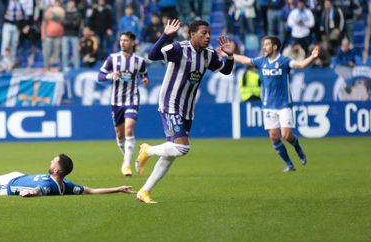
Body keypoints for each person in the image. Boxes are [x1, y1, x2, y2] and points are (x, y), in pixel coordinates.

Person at [134, 19, 234, 203]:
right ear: (192, 34)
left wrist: (230, 56)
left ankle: (144, 191)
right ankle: (147, 150)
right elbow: (152, 55)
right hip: (170, 104)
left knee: (172, 153)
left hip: (187, 109)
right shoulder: (179, 48)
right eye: (203, 33)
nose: (208, 36)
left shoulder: (209, 55)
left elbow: (226, 71)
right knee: (182, 147)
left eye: (209, 33)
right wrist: (165, 35)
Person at [232, 36, 319, 172]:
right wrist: (230, 54)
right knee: (273, 136)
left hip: (284, 104)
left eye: (267, 44)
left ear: (275, 47)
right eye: (263, 44)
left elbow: (301, 65)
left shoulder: (284, 62)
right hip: (268, 105)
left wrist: (312, 57)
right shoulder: (261, 61)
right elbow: (245, 60)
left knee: (286, 135)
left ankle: (297, 147)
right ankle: (289, 164)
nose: (264, 47)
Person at [0, 153, 134, 197]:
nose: (51, 161)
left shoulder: (51, 185)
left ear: (57, 170)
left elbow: (40, 190)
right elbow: (90, 190)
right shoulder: (66, 184)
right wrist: (117, 188)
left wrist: (31, 194)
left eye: (53, 161)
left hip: (9, 186)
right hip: (18, 175)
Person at [97, 31, 148, 177]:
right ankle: (129, 158)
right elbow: (100, 75)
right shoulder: (112, 58)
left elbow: (144, 73)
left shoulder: (139, 61)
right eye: (121, 40)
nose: (122, 43)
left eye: (126, 40)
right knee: (120, 135)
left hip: (132, 99)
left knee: (129, 129)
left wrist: (145, 79)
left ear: (133, 42)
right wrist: (109, 75)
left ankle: (126, 164)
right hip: (116, 101)